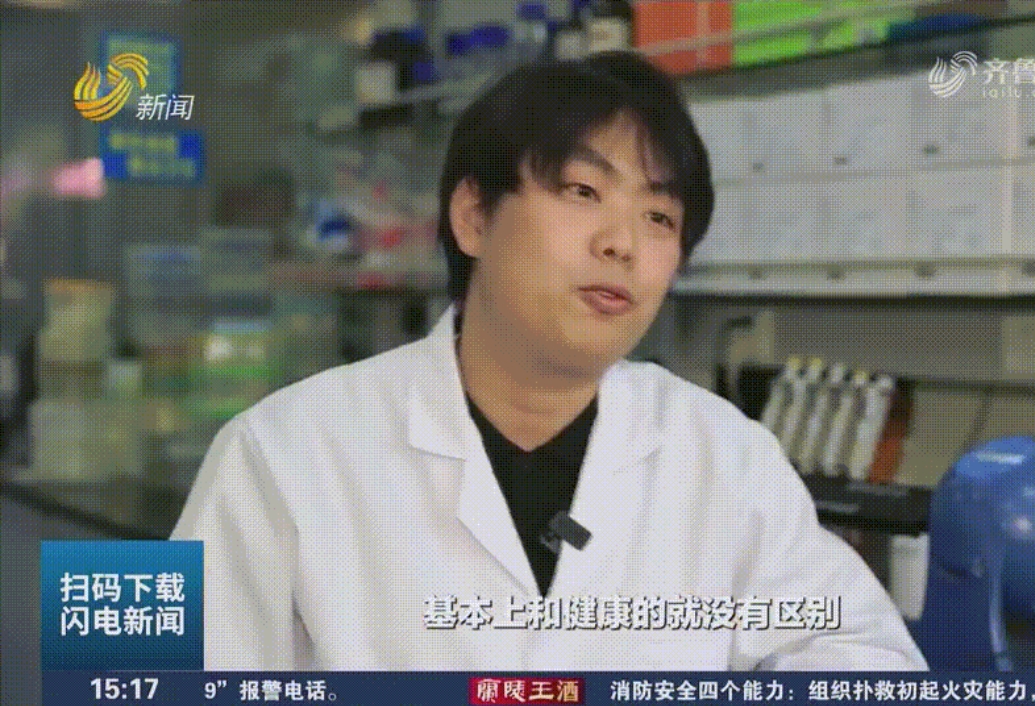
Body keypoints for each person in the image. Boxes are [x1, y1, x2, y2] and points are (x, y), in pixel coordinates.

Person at [171, 51, 928, 671]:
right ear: (474, 217)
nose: (621, 243)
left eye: (658, 216)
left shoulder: (726, 459)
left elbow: (862, 658)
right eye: (582, 190)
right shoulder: (282, 454)